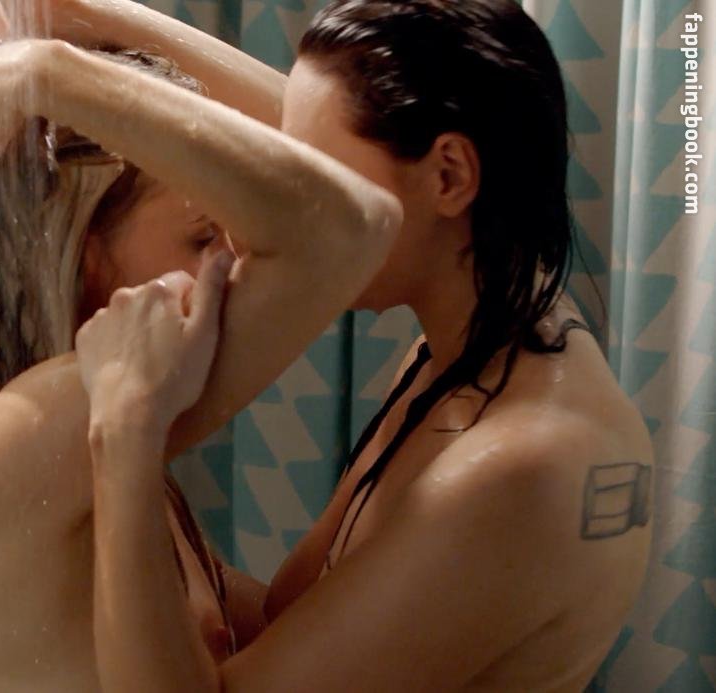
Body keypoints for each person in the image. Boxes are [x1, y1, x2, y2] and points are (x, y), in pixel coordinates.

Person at [70, 1, 655, 690]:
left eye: (316, 178)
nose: (269, 226)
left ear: (448, 177)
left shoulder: (520, 466)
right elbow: (305, 624)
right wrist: (72, 17)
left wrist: (125, 434)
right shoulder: (470, 351)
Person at [0, 1, 401, 690]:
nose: (241, 259)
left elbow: (358, 185)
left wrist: (62, 18)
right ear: (83, 258)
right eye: (203, 236)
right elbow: (352, 217)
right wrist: (35, 71)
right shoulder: (15, 444)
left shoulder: (103, 427)